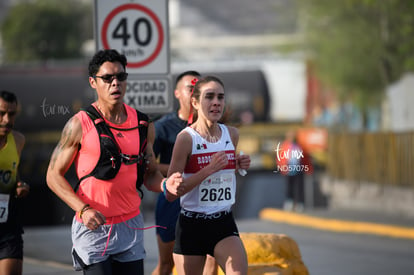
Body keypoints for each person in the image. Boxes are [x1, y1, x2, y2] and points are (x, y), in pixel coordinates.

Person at [46, 49, 182, 275]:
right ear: (93, 82)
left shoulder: (142, 124)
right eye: (107, 78)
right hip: (93, 226)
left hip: (130, 227)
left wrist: (167, 185)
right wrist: (83, 209)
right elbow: (52, 175)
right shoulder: (79, 124)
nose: (115, 83)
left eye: (121, 77)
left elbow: (150, 175)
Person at [166, 76, 251, 275]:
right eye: (209, 97)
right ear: (195, 103)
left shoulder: (232, 134)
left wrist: (238, 165)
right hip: (192, 225)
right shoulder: (186, 139)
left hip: (223, 222)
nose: (216, 102)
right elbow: (170, 194)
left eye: (220, 97)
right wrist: (208, 170)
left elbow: (224, 175)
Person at [152, 71, 218, 275]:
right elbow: (149, 167)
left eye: (198, 89)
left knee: (211, 261)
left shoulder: (212, 125)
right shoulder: (163, 127)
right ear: (177, 93)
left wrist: (238, 161)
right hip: (173, 200)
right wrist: (181, 170)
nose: (193, 93)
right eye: (190, 88)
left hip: (205, 200)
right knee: (167, 264)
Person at [0, 91, 30, 275]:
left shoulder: (18, 140)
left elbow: (13, 174)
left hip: (8, 226)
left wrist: (21, 186)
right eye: (1, 113)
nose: (6, 120)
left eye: (11, 114)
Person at [278, 130, 313, 212]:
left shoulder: (300, 146)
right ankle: (289, 202)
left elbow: (305, 159)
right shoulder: (285, 146)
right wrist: (282, 167)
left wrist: (308, 169)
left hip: (298, 169)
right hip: (288, 170)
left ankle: (300, 203)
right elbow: (281, 158)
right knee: (289, 187)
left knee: (299, 187)